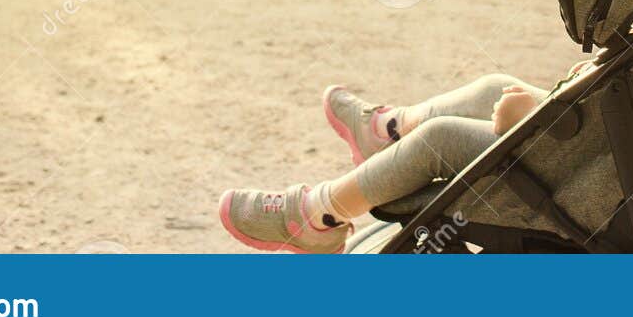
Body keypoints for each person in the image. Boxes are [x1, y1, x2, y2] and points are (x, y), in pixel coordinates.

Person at [218, 75, 545, 253]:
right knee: (493, 88)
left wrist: (528, 121)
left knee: (440, 139)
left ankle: (315, 217)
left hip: (580, 173)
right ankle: (388, 130)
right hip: (588, 145)